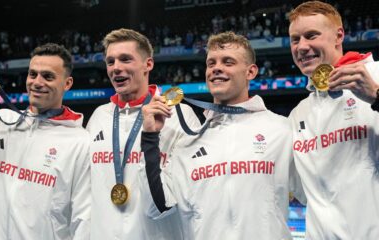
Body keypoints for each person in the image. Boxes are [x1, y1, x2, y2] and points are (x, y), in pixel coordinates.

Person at [141, 31, 299, 240]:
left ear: (250, 72)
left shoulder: (281, 129)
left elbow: (315, 193)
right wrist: (150, 137)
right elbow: (157, 207)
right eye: (211, 63)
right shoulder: (188, 143)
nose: (216, 68)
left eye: (228, 62)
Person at [86, 28, 200, 240]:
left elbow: (187, 196)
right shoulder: (98, 117)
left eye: (125, 59)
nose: (116, 68)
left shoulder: (179, 116)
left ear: (148, 64)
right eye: (110, 62)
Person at [0, 43, 90, 239]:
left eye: (48, 76)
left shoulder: (81, 143)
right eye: (33, 74)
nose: (37, 82)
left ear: (67, 83)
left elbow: (84, 219)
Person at [288, 1, 379, 239]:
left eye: (311, 36)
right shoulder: (299, 114)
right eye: (295, 39)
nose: (302, 47)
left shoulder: (377, 75)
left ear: (339, 36)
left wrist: (376, 96)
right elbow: (302, 191)